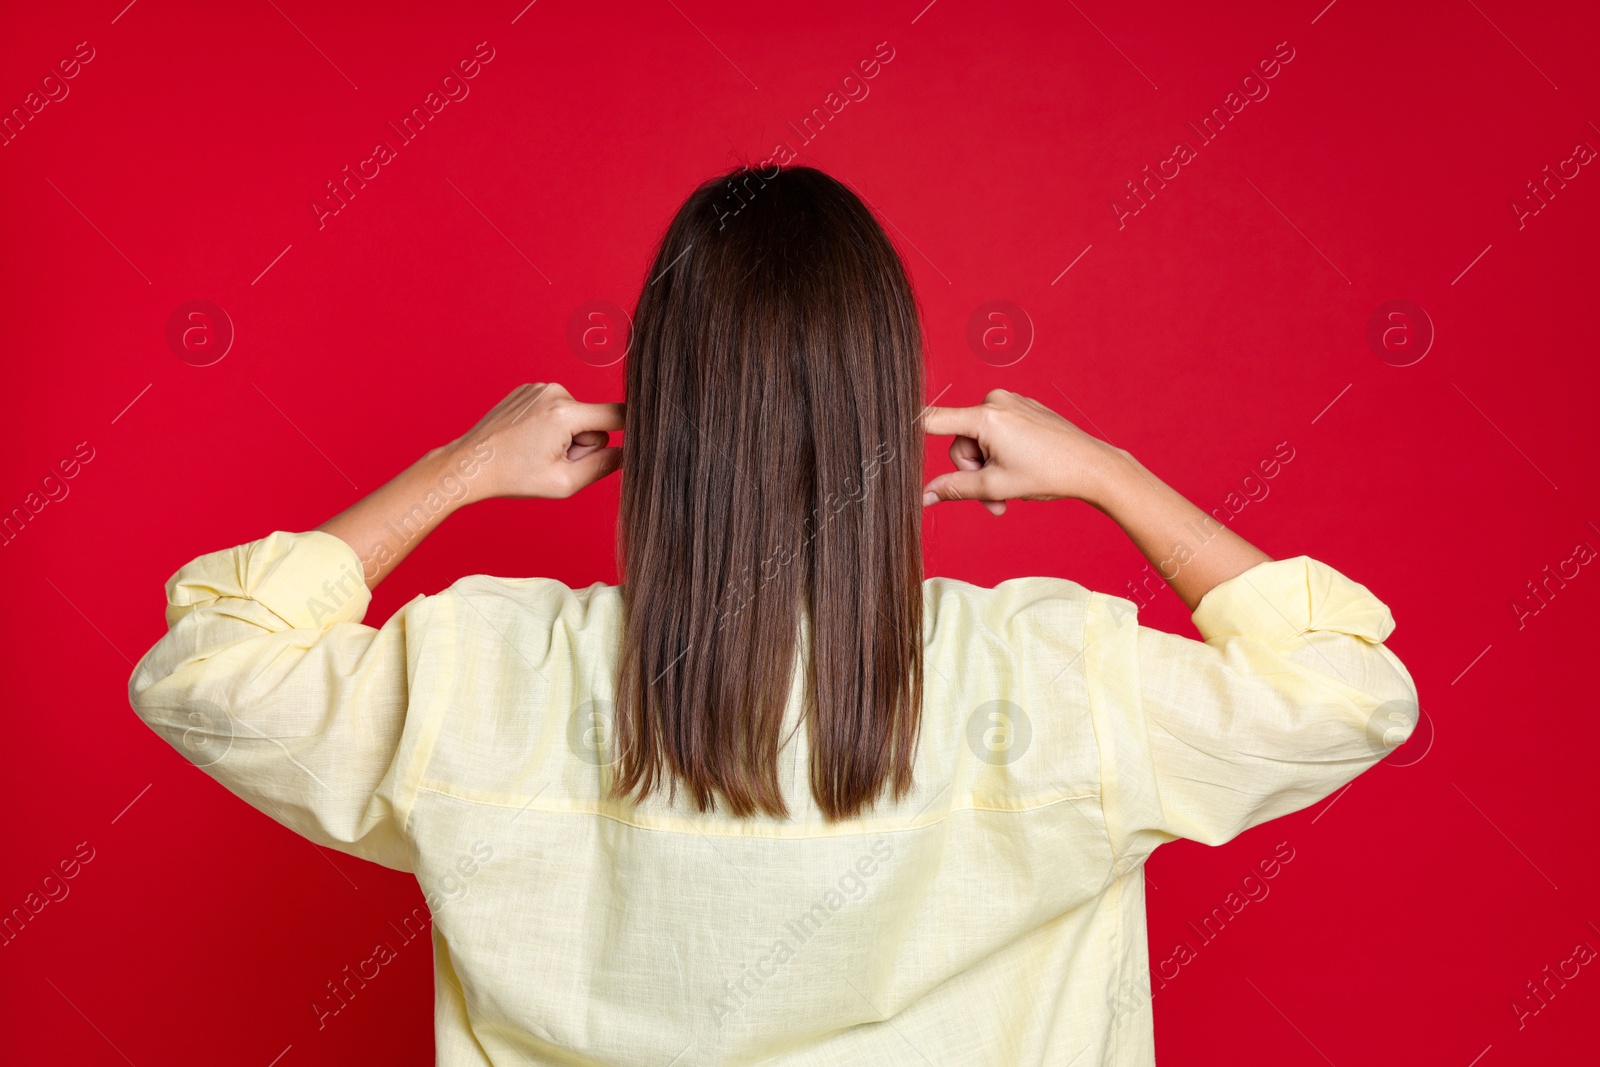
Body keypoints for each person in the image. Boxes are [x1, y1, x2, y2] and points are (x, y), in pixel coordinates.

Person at [128, 165, 1420, 1066]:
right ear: (889, 401)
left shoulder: (487, 670)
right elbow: (1350, 692)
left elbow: (209, 669)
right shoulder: (1046, 671)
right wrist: (1111, 476)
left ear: (661, 412)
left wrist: (458, 470)